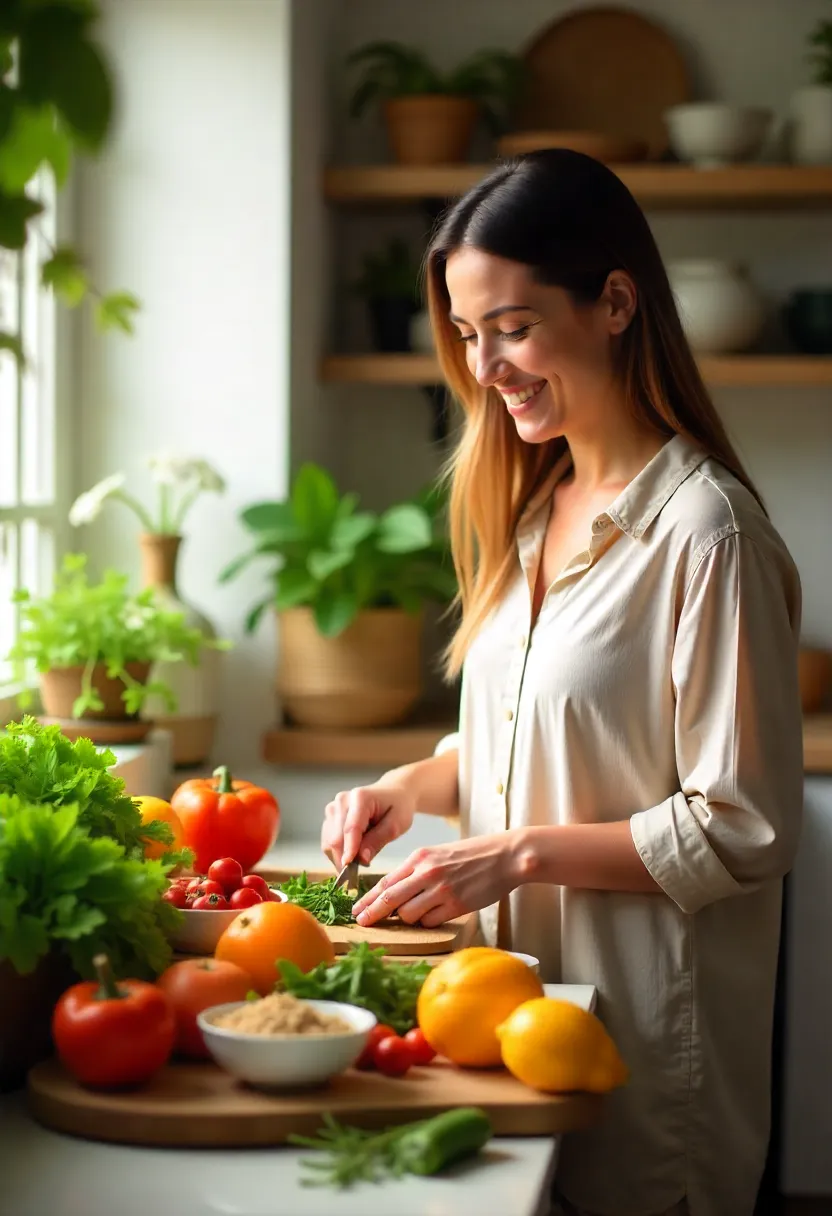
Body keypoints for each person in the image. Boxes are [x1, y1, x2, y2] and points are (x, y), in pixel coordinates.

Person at [320, 149, 804, 1216]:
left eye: (513, 325)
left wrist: (516, 855)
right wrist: (413, 783)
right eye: (464, 332)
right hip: (507, 1020)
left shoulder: (706, 535)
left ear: (615, 303)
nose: (483, 363)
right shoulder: (534, 507)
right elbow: (535, 736)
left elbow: (744, 826)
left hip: (642, 1055)